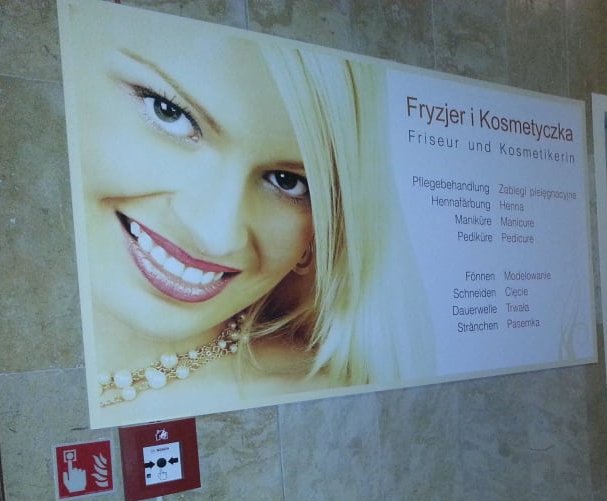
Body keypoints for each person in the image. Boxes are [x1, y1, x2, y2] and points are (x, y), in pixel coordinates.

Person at [64, 1, 432, 425]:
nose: (216, 234)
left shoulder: (310, 402)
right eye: (170, 113)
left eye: (287, 182)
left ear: (319, 236)